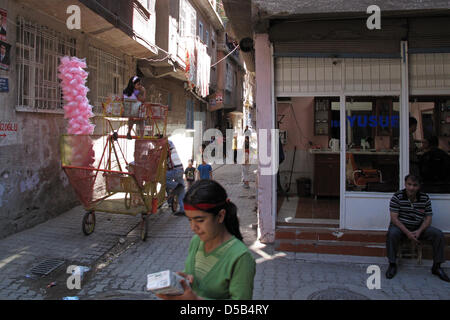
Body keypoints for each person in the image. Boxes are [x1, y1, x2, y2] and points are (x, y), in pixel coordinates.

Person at [155, 179, 256, 300]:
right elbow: (193, 278)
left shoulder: (240, 258)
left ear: (220, 216)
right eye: (189, 220)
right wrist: (182, 281)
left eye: (200, 220)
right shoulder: (196, 242)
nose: (193, 227)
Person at [385, 174, 449, 282]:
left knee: (438, 234)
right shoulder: (397, 197)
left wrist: (419, 231)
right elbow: (394, 219)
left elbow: (428, 218)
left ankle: (437, 267)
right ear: (405, 184)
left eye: (415, 185)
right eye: (409, 184)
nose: (411, 188)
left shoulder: (425, 198)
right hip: (401, 227)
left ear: (419, 186)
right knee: (392, 233)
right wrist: (408, 233)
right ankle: (392, 264)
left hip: (418, 227)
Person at [166, 139, 185, 216]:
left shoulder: (168, 149)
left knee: (162, 179)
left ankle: (176, 186)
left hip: (175, 170)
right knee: (181, 191)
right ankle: (182, 209)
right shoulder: (172, 148)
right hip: (180, 169)